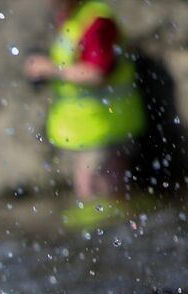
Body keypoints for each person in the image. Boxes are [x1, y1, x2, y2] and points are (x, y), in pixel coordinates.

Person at [26, 0, 146, 201]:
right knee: (91, 195)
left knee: (101, 194)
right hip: (89, 129)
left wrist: (52, 70)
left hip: (108, 126)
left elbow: (98, 72)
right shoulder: (72, 17)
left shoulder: (96, 21)